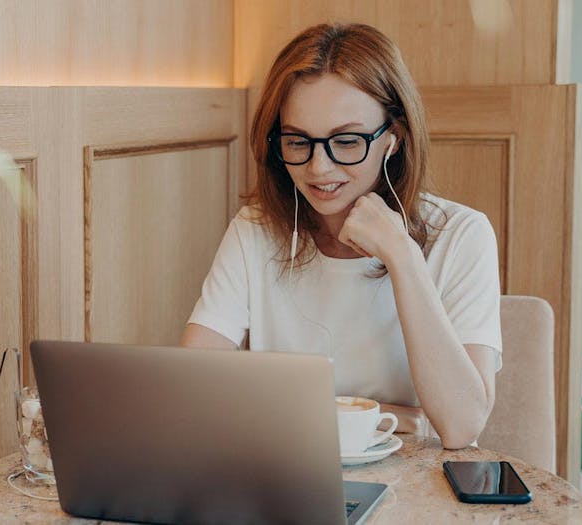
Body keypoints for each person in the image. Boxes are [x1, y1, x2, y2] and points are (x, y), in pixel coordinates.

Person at [180, 23, 501, 449]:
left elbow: (462, 426)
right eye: (298, 142)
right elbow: (193, 391)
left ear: (393, 138)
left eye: (347, 141)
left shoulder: (462, 234)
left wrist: (403, 256)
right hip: (290, 472)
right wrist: (387, 416)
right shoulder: (255, 230)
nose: (319, 168)